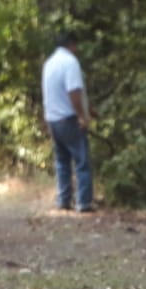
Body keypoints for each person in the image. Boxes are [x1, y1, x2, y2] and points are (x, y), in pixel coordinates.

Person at [41, 32, 95, 212]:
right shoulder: (70, 62)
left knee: (62, 161)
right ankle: (84, 202)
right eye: (76, 46)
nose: (77, 50)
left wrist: (90, 110)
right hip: (69, 119)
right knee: (82, 161)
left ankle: (64, 200)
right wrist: (81, 115)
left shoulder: (49, 63)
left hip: (54, 119)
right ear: (71, 44)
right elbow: (73, 91)